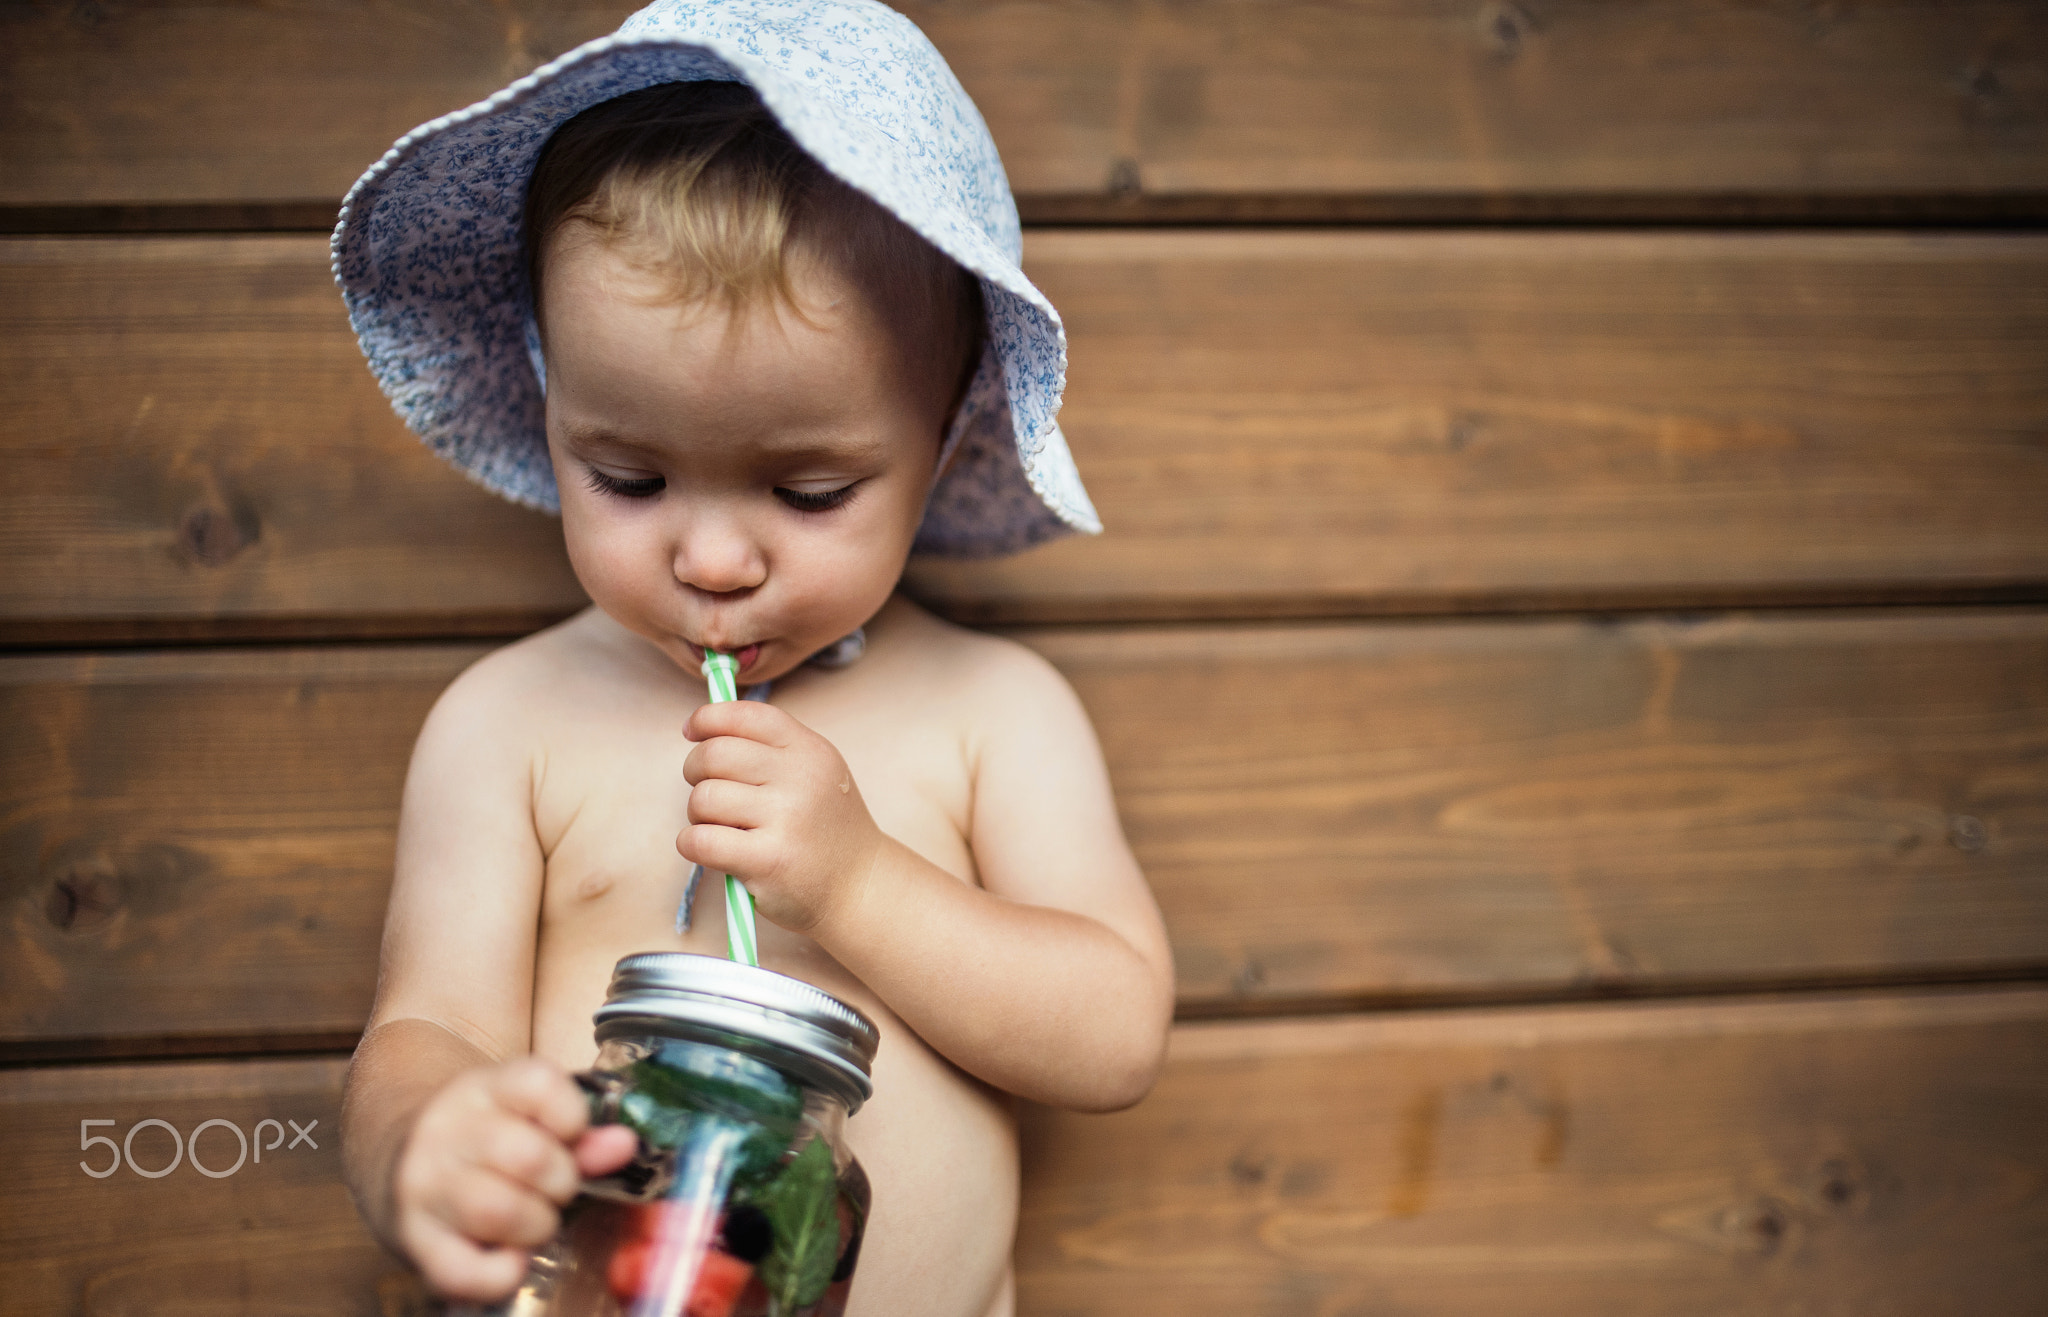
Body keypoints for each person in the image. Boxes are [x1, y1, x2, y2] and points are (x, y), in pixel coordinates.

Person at [328, 3, 1175, 1314]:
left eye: (810, 488)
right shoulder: (510, 726)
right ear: (552, 408)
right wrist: (423, 1141)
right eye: (629, 474)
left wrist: (858, 880)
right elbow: (429, 1022)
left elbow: (1116, 1029)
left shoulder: (992, 716)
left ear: (942, 434)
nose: (715, 557)